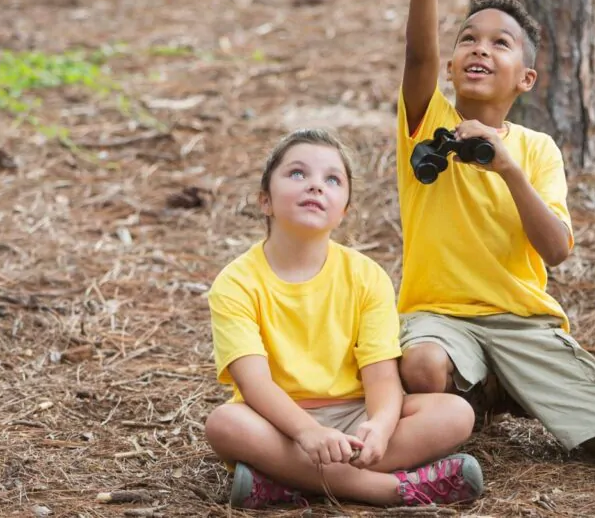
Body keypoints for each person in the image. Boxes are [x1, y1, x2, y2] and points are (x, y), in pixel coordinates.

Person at [395, 0, 595, 462]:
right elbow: (417, 56)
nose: (480, 49)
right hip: (440, 319)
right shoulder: (428, 123)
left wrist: (508, 169)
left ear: (526, 78)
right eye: (468, 40)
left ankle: (504, 384)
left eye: (500, 44)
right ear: (452, 65)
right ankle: (473, 393)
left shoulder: (537, 149)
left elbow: (556, 250)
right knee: (422, 365)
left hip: (521, 322)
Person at [204, 129, 484, 509]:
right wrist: (307, 432)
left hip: (355, 416)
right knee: (224, 424)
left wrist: (380, 427)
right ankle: (391, 489)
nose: (315, 186)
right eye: (298, 173)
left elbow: (381, 377)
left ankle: (286, 483)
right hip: (277, 423)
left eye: (332, 179)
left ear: (344, 211)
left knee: (455, 413)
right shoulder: (236, 283)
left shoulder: (366, 276)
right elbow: (255, 384)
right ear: (265, 200)